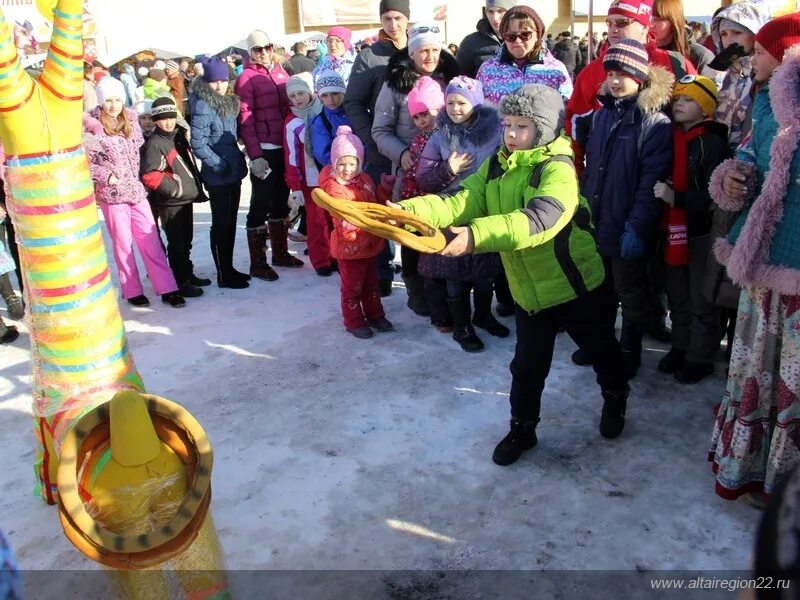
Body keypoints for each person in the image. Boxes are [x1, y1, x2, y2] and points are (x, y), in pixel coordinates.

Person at [396, 84, 629, 465]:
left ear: (544, 129)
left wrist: (474, 237)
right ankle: (523, 428)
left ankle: (616, 398)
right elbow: (464, 198)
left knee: (602, 349)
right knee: (526, 367)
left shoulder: (557, 169)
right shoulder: (498, 164)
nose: (511, 135)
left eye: (522, 127)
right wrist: (412, 212)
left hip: (574, 287)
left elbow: (538, 220)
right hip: (528, 291)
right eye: (507, 125)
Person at [708, 14, 800, 505]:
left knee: (794, 375)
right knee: (758, 366)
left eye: (761, 51)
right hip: (761, 260)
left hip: (795, 269)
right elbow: (746, 156)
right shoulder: (762, 104)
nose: (751, 58)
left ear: (788, 56)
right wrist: (732, 178)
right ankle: (755, 467)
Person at [581, 39, 673, 378]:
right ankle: (602, 346)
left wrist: (636, 227)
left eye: (624, 74)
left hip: (625, 225)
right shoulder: (603, 115)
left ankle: (630, 349)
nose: (616, 81)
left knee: (630, 290)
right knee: (600, 290)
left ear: (640, 76)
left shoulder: (653, 123)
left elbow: (651, 184)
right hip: (599, 221)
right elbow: (593, 170)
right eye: (611, 73)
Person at [372, 21, 459, 318]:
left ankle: (444, 290)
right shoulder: (394, 84)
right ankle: (416, 290)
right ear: (412, 53)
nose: (430, 56)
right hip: (410, 172)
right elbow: (380, 130)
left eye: (435, 49)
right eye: (423, 51)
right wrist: (403, 152)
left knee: (441, 228)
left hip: (446, 171)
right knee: (412, 233)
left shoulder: (449, 77)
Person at [415, 76, 507, 352]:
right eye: (451, 102)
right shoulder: (440, 136)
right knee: (455, 274)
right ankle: (461, 325)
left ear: (476, 104)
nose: (455, 108)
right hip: (451, 211)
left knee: (485, 273)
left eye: (462, 102)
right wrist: (448, 169)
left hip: (484, 209)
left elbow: (506, 162)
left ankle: (482, 314)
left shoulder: (496, 133)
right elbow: (424, 179)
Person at [653, 75, 731, 384]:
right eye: (677, 99)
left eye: (688, 100)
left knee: (702, 299)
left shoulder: (712, 143)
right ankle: (680, 346)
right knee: (678, 295)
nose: (679, 105)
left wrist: (678, 198)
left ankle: (700, 357)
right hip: (672, 229)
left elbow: (717, 196)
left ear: (705, 107)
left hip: (699, 231)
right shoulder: (671, 137)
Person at [83, 77, 185, 308]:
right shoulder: (92, 127)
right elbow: (86, 161)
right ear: (100, 101)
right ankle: (131, 290)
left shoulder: (131, 122)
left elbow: (142, 152)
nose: (113, 105)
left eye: (117, 99)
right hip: (113, 194)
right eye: (108, 100)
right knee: (123, 243)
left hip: (137, 192)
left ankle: (167, 287)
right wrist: (106, 177)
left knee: (150, 240)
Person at [566, 0, 695, 175]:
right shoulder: (591, 72)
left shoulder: (674, 63)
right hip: (610, 180)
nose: (613, 28)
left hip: (663, 176)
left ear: (644, 26)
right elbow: (574, 128)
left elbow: (698, 119)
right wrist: (577, 177)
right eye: (609, 23)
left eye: (622, 22)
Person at [344, 0, 410, 296]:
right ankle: (383, 269)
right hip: (381, 146)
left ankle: (420, 270)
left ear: (407, 19)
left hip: (420, 145)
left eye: (398, 17)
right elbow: (353, 101)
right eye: (387, 18)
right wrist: (369, 138)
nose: (392, 24)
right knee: (382, 209)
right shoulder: (370, 57)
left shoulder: (420, 48)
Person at [236, 30, 302, 280]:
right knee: (260, 203)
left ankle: (280, 252)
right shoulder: (246, 78)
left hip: (283, 146)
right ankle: (258, 261)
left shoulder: (281, 72)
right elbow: (245, 118)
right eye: (257, 49)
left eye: (267, 47)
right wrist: (255, 155)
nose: (263, 52)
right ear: (250, 52)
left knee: (280, 200)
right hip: (264, 149)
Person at [318, 126, 395, 339]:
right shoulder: (334, 188)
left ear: (359, 163)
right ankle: (353, 321)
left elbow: (376, 203)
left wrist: (385, 189)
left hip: (370, 244)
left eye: (352, 163)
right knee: (352, 288)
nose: (347, 169)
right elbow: (342, 213)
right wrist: (350, 226)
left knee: (371, 284)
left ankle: (375, 315)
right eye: (341, 164)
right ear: (334, 163)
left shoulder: (365, 180)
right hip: (350, 247)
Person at [141, 96, 211, 299]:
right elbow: (150, 174)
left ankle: (187, 273)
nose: (168, 122)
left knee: (186, 240)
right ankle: (180, 281)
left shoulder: (177, 136)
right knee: (177, 242)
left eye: (171, 117)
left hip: (184, 198)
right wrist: (175, 189)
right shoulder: (156, 143)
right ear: (155, 121)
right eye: (162, 119)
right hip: (170, 201)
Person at [190, 58, 250, 289]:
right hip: (218, 174)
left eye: (223, 81)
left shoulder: (228, 102)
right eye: (214, 81)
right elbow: (199, 144)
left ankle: (229, 267)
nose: (219, 86)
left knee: (231, 222)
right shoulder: (203, 105)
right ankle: (223, 273)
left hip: (232, 170)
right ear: (206, 81)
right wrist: (218, 164)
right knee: (222, 223)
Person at [400, 77, 449, 330]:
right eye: (416, 116)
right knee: (411, 246)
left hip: (438, 200)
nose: (421, 120)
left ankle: (437, 297)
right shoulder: (419, 138)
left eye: (426, 113)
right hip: (415, 199)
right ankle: (415, 292)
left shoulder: (445, 135)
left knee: (434, 248)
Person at [284, 73, 332, 276]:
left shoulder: (324, 110)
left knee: (334, 217)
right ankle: (321, 259)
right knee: (316, 220)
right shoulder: (292, 122)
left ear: (311, 92)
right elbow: (291, 156)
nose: (297, 99)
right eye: (293, 96)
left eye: (301, 93)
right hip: (310, 180)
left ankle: (337, 254)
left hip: (332, 175)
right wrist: (295, 185)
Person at [476, 6, 573, 106]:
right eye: (511, 36)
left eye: (525, 34)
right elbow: (478, 109)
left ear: (537, 35)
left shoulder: (556, 70)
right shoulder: (488, 69)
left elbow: (567, 109)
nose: (518, 41)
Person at [709, 0, 770, 152]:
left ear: (756, 32)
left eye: (737, 32)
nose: (729, 40)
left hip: (751, 159)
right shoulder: (726, 73)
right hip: (721, 157)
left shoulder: (767, 73)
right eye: (723, 34)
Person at [651, 0, 715, 74]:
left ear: (673, 20)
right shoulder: (642, 50)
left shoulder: (700, 55)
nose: (651, 24)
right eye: (649, 17)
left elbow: (712, 84)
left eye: (657, 20)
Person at [456, 0, 511, 78]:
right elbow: (459, 80)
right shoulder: (470, 42)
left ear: (511, 12)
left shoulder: (525, 39)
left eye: (500, 11)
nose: (495, 18)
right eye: (490, 11)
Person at [310, 70, 351, 168]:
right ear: (320, 98)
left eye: (335, 93)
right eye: (325, 95)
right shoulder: (320, 122)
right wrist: (345, 167)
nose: (331, 99)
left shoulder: (355, 113)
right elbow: (322, 154)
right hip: (341, 171)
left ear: (343, 93)